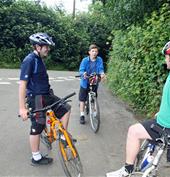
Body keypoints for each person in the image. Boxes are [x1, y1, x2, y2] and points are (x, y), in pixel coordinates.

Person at [106, 40, 170, 177]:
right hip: (161, 123)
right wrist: (162, 111)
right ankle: (128, 169)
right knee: (133, 131)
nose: (165, 60)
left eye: (166, 57)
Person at [19, 33, 71, 166]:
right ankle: (36, 157)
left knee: (65, 109)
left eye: (48, 46)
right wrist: (22, 107)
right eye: (45, 46)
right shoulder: (29, 60)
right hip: (36, 97)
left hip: (46, 94)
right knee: (38, 126)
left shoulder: (40, 58)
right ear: (37, 46)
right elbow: (22, 84)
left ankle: (62, 136)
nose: (48, 49)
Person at [78, 44, 106, 124]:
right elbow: (81, 70)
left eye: (96, 51)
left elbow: (101, 69)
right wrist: (83, 73)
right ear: (89, 52)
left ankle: (94, 111)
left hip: (94, 81)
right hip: (85, 81)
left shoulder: (99, 59)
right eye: (92, 51)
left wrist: (102, 74)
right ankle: (82, 115)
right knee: (82, 99)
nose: (94, 53)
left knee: (94, 97)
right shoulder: (85, 60)